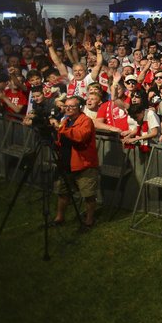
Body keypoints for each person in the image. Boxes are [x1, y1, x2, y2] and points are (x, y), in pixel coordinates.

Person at [50, 95, 99, 227]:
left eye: (72, 106)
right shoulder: (66, 121)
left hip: (84, 164)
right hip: (66, 163)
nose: (68, 109)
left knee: (88, 195)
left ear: (80, 108)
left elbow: (79, 136)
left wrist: (60, 127)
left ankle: (89, 220)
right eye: (66, 106)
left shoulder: (86, 121)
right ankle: (59, 217)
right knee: (62, 192)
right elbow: (61, 140)